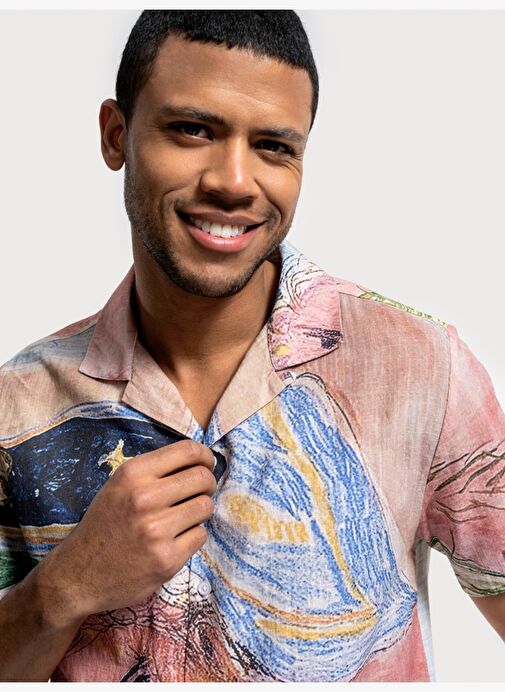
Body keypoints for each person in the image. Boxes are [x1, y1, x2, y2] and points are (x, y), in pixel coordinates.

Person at [0, 9, 503, 683]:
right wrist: (62, 591)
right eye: (193, 130)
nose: (233, 181)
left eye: (272, 146)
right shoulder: (18, 406)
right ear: (116, 135)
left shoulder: (421, 368)